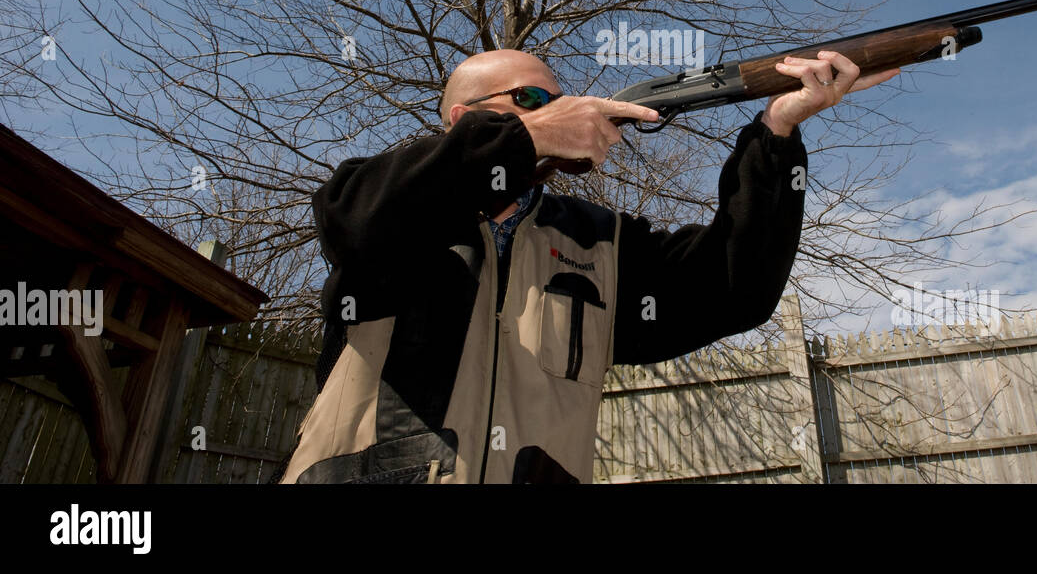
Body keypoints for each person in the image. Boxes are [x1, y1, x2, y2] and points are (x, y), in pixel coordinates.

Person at [277, 48, 898, 483]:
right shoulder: (385, 203)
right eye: (530, 99)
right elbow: (354, 222)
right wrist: (527, 138)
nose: (559, 110)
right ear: (465, 120)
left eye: (560, 100)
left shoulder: (603, 242)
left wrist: (777, 134)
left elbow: (735, 288)